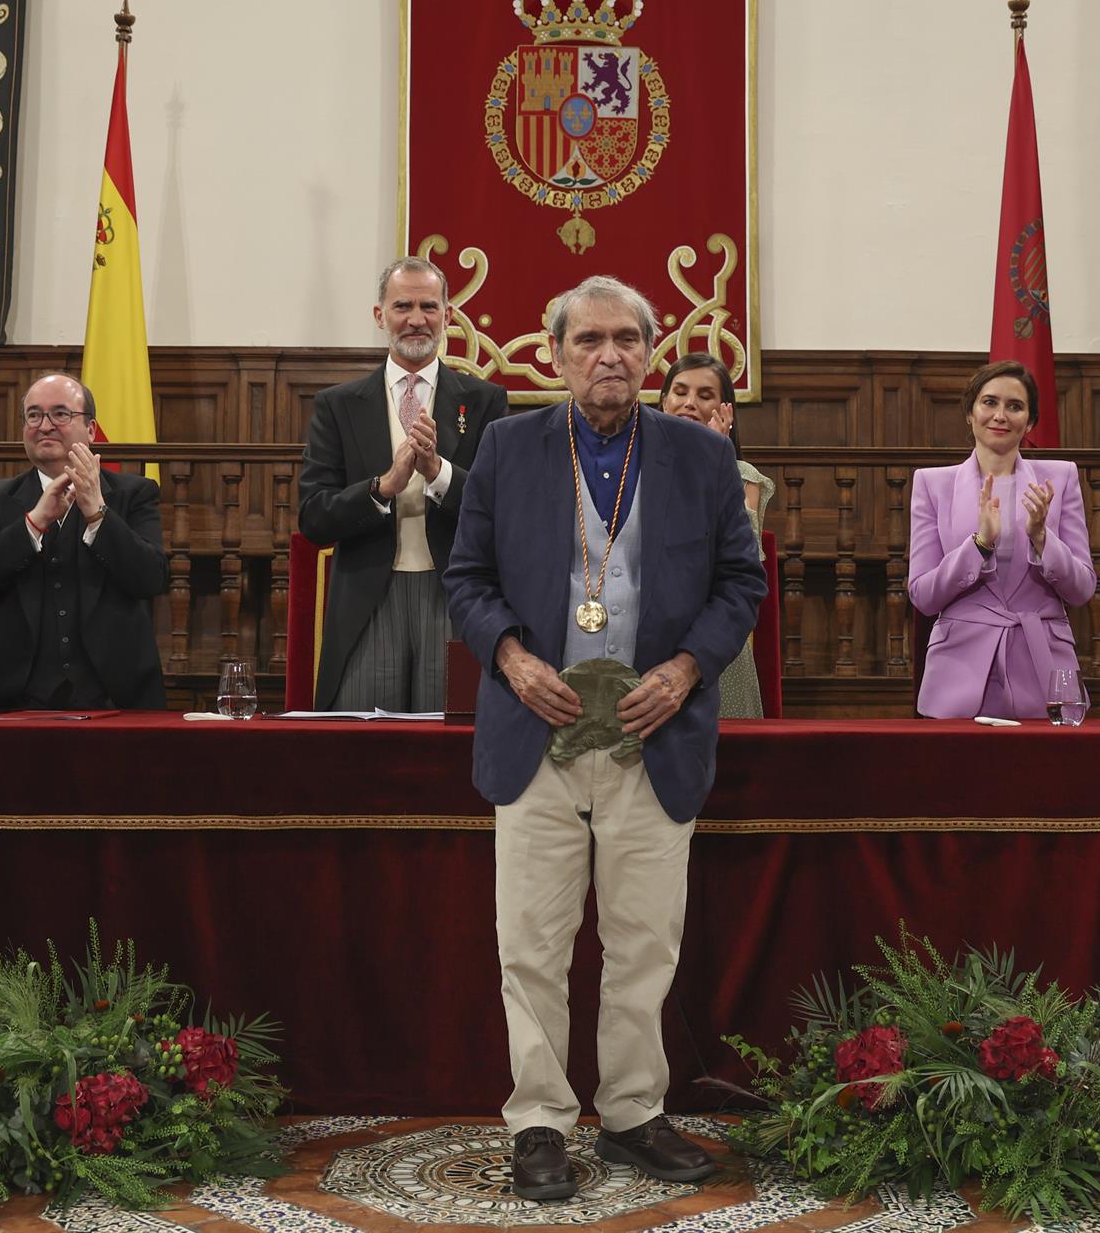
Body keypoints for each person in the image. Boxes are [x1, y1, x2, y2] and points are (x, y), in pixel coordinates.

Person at [444, 276, 764, 1201]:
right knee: (531, 944)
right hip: (535, 732)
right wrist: (511, 658)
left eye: (627, 338)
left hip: (653, 733)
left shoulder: (701, 457)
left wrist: (687, 670)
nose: (609, 355)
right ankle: (540, 1121)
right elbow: (466, 579)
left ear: (650, 353)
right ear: (557, 355)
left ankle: (630, 1113)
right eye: (588, 340)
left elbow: (741, 583)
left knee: (644, 942)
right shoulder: (506, 448)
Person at [298, 257, 509, 711]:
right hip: (369, 600)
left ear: (447, 316)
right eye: (402, 307)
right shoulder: (338, 405)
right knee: (363, 742)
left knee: (451, 737)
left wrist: (438, 473)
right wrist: (383, 487)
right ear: (380, 316)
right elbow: (314, 516)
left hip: (452, 597)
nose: (416, 319)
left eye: (429, 307)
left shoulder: (484, 401)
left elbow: (501, 510)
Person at [0, 373, 168, 710]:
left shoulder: (134, 493)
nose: (45, 426)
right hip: (17, 701)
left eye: (60, 414)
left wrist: (98, 514)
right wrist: (34, 522)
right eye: (34, 415)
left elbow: (151, 578)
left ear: (91, 430)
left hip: (116, 699)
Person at [908, 360, 1094, 719]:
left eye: (1015, 406)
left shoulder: (1061, 478)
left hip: (1044, 671)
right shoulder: (932, 484)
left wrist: (1043, 539)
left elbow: (1082, 589)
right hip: (959, 673)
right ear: (970, 413)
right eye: (989, 402)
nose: (1000, 415)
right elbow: (923, 596)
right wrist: (979, 544)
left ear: (1030, 421)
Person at [658, 352, 774, 717]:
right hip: (654, 634)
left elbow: (746, 557)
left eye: (705, 395)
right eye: (680, 392)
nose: (690, 402)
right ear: (663, 402)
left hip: (717, 634)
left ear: (726, 412)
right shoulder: (637, 469)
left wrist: (713, 461)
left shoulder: (742, 476)